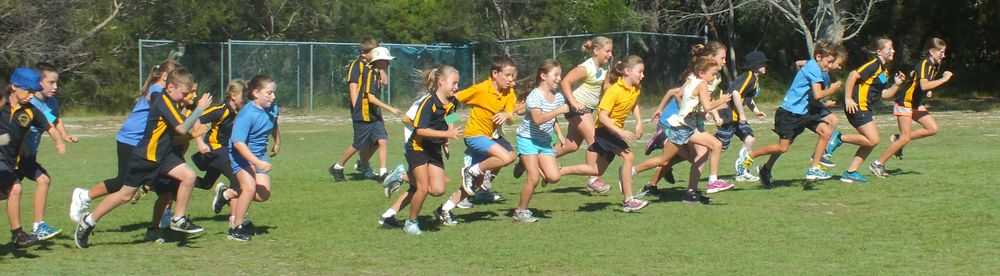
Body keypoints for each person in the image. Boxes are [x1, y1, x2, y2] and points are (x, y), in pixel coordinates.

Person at [75, 68, 212, 249]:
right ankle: (89, 221)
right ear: (170, 87)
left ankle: (178, 218)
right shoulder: (164, 101)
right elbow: (181, 128)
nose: (186, 96)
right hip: (146, 157)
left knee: (188, 176)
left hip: (164, 157)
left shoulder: (172, 101)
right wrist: (201, 109)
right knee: (125, 196)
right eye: (184, 93)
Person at [69, 60, 183, 223]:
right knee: (124, 182)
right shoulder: (156, 91)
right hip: (131, 139)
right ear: (165, 76)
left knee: (164, 180)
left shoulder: (160, 91)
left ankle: (166, 216)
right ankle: (84, 196)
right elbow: (160, 104)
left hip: (141, 141)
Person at [737, 42, 843, 188]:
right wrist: (833, 89)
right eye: (829, 62)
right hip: (789, 114)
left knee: (826, 130)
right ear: (819, 57)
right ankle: (750, 157)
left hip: (804, 112)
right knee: (782, 148)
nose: (830, 65)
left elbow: (799, 64)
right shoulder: (814, 68)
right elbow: (818, 95)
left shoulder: (813, 65)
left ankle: (814, 168)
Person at [631, 57, 733, 203]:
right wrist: (722, 101)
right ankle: (631, 171)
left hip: (688, 127)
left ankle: (712, 181)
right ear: (702, 73)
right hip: (682, 129)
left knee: (715, 145)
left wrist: (691, 110)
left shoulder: (692, 81)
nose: (714, 77)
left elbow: (679, 95)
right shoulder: (702, 84)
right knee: (664, 160)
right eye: (712, 74)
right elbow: (707, 106)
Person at [433, 56, 517, 226]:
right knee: (507, 157)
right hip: (474, 135)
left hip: (488, 137)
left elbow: (511, 118)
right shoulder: (481, 89)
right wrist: (448, 126)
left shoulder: (509, 92)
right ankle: (470, 170)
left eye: (513, 76)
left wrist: (507, 115)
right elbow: (452, 102)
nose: (511, 80)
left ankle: (444, 210)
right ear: (495, 73)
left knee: (476, 184)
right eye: (507, 75)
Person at [559, 55, 648, 212]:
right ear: (627, 71)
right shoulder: (614, 90)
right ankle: (629, 200)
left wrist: (639, 122)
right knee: (629, 156)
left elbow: (635, 105)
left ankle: (559, 171)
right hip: (604, 131)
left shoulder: (636, 88)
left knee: (596, 170)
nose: (643, 75)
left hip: (613, 132)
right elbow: (602, 116)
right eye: (639, 72)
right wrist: (620, 131)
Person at [1, 67, 66, 248]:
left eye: (33, 91)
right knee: (15, 188)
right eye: (28, 91)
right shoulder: (2, 104)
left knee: (9, 192)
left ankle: (23, 233)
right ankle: (18, 235)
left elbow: (49, 126)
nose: (31, 95)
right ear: (14, 86)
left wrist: (59, 141)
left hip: (12, 160)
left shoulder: (30, 111)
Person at [827, 37, 906, 181]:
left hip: (866, 108)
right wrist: (848, 98)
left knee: (870, 141)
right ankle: (839, 138)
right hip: (857, 105)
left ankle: (850, 173)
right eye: (890, 48)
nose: (893, 51)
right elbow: (852, 75)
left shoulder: (884, 72)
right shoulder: (874, 64)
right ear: (879, 51)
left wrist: (896, 85)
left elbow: (884, 95)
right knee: (873, 139)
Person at [872, 38, 952, 175]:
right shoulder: (925, 64)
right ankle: (877, 164)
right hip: (905, 102)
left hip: (914, 104)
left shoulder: (934, 65)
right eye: (941, 52)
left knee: (932, 128)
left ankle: (898, 139)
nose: (943, 55)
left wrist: (926, 90)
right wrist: (943, 80)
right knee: (906, 137)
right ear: (932, 51)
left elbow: (915, 78)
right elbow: (923, 84)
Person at [329, 39, 402, 183]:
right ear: (364, 53)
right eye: (372, 52)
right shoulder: (358, 66)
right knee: (359, 143)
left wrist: (381, 67)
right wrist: (357, 108)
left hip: (374, 112)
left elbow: (385, 82)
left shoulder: (374, 69)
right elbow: (354, 88)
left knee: (381, 140)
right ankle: (338, 166)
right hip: (363, 111)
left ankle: (382, 173)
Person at [21, 63, 78, 240]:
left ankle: (38, 226)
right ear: (39, 82)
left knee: (44, 180)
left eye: (56, 83)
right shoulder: (27, 101)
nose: (55, 87)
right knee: (9, 192)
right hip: (14, 156)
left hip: (29, 156)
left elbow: (55, 120)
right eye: (51, 82)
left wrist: (65, 135)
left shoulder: (52, 102)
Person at [550, 36, 613, 193]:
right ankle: (592, 179)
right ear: (596, 51)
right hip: (578, 108)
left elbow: (606, 86)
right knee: (595, 141)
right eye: (607, 51)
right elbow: (565, 82)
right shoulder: (586, 67)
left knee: (572, 144)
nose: (610, 54)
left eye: (611, 51)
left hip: (587, 109)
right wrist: (573, 102)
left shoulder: (605, 67)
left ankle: (540, 157)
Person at [512, 59, 569, 222]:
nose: (559, 78)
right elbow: (537, 120)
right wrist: (558, 110)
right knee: (534, 178)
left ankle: (523, 162)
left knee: (554, 177)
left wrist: (559, 134)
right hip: (527, 139)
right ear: (543, 76)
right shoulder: (534, 96)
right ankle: (520, 212)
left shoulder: (558, 96)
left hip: (544, 142)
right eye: (556, 75)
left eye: (560, 75)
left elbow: (552, 119)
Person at [226, 75, 281, 241]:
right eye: (269, 93)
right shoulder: (246, 114)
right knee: (249, 189)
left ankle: (227, 193)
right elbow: (238, 144)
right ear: (256, 93)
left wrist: (277, 141)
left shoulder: (273, 108)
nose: (273, 97)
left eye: (274, 93)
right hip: (240, 156)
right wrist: (257, 162)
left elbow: (274, 123)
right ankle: (237, 228)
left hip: (259, 155)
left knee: (262, 195)